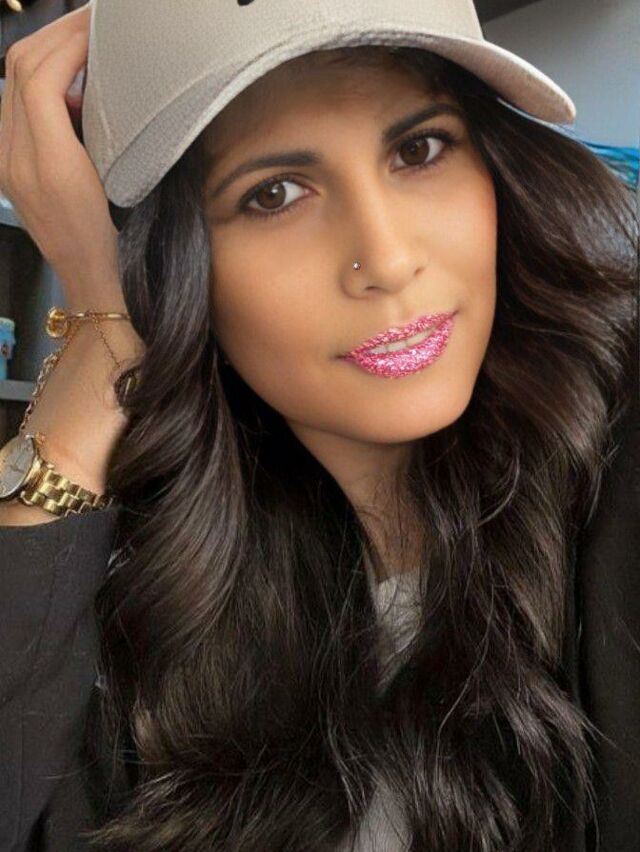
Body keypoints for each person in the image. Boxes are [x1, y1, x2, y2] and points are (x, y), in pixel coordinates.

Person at [0, 1, 637, 850]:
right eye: (274, 194)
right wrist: (100, 325)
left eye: (420, 149)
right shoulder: (176, 593)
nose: (388, 259)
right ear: (171, 263)